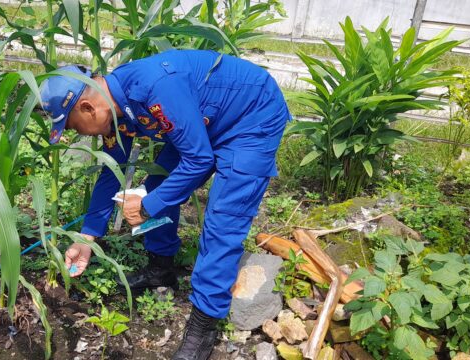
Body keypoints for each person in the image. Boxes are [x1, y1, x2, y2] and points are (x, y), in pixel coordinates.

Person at [39, 49, 290, 360]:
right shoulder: (117, 110)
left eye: (74, 127)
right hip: (202, 123)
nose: (76, 134)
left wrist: (146, 206)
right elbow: (111, 172)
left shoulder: (155, 88)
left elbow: (199, 160)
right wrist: (87, 237)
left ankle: (202, 328)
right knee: (159, 185)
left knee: (223, 220)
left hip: (250, 117)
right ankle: (161, 271)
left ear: (88, 108)